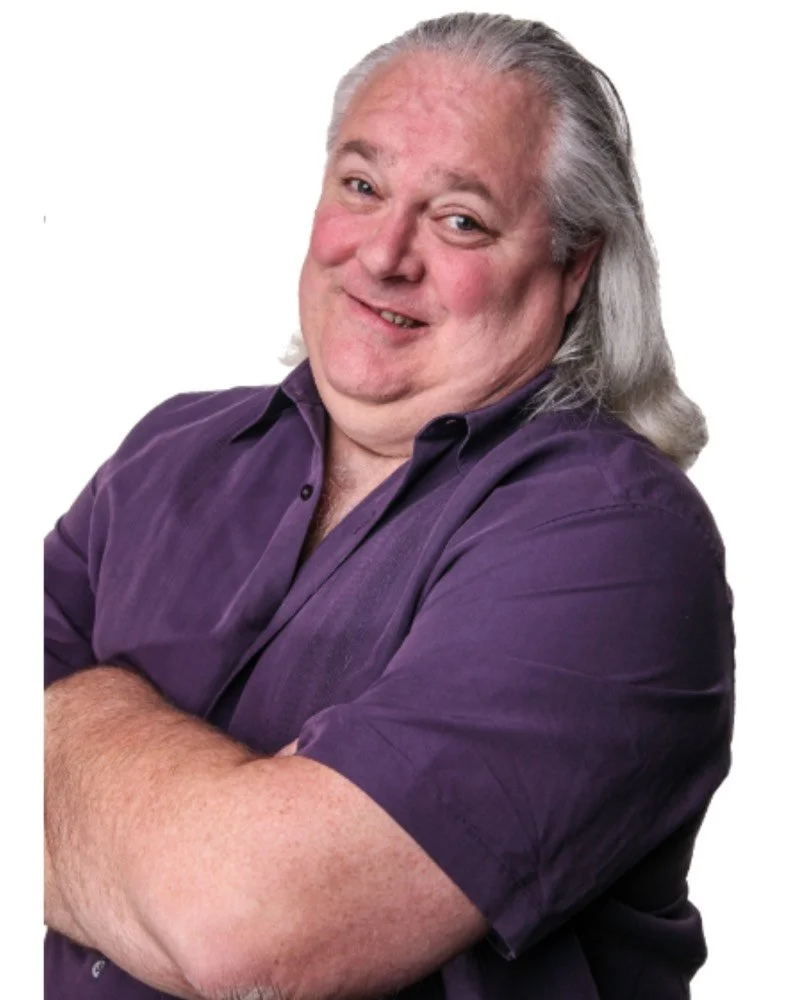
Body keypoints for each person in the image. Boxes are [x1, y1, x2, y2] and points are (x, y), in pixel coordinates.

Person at [43, 12, 734, 1000]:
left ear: (572, 266)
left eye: (460, 220)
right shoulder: (171, 451)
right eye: (361, 187)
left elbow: (248, 928)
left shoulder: (617, 541)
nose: (382, 255)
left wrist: (72, 720)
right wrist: (187, 821)